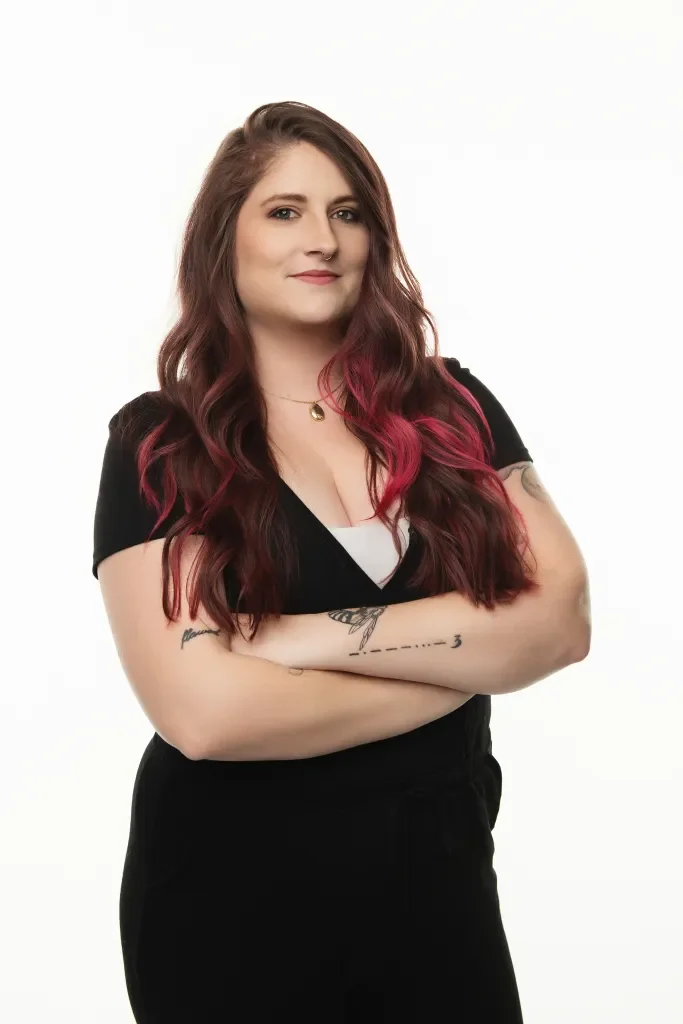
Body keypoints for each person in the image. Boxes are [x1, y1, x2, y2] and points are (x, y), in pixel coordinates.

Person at [92, 101, 590, 1023]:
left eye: (348, 211)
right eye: (283, 211)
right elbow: (204, 713)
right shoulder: (163, 443)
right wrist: (455, 680)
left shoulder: (455, 409)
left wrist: (294, 640)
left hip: (438, 883)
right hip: (226, 900)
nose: (321, 238)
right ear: (223, 243)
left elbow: (558, 622)